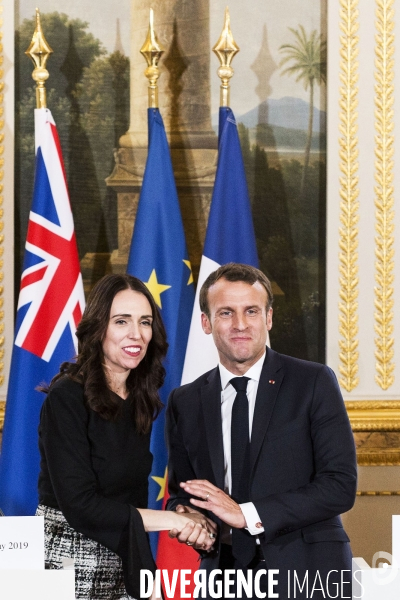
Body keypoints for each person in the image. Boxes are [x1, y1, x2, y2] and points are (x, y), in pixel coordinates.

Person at [166, 263, 357, 599]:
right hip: (222, 577)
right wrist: (187, 515)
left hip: (308, 574)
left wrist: (246, 515)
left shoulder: (313, 382)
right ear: (206, 323)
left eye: (251, 311)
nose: (240, 324)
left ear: (268, 319)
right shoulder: (185, 401)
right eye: (226, 312)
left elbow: (340, 486)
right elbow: (183, 492)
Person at [36, 274, 216, 600]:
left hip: (123, 552)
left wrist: (177, 518)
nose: (137, 334)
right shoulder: (66, 397)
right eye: (122, 321)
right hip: (65, 561)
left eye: (145, 322)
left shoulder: (139, 397)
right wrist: (169, 522)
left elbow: (129, 498)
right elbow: (80, 505)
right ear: (98, 329)